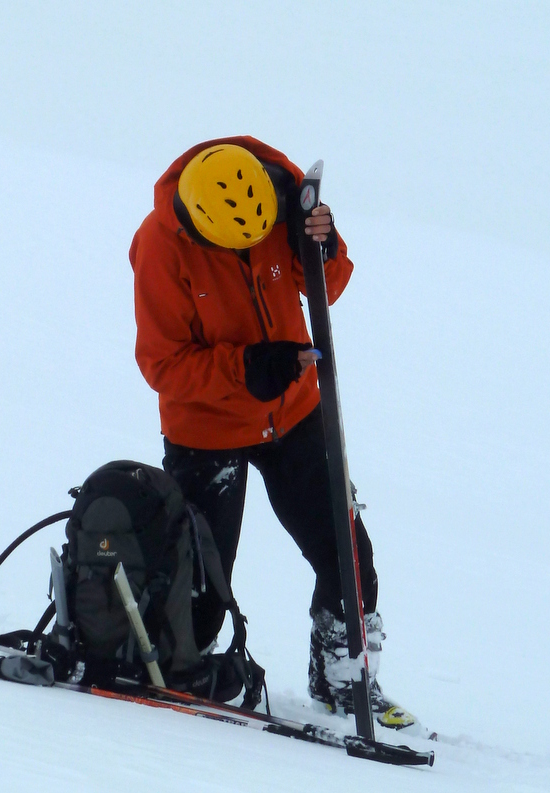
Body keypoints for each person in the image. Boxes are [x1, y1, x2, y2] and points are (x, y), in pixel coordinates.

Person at [129, 136, 401, 722]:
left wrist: (323, 249)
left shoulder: (278, 203)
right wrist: (247, 369)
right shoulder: (159, 246)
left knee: (348, 558)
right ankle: (177, 669)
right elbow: (162, 364)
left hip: (295, 412)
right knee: (202, 584)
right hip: (207, 428)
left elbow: (325, 288)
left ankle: (343, 680)